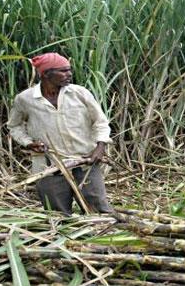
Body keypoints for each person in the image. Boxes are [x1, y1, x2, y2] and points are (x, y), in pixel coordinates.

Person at [8, 52, 113, 214]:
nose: (69, 74)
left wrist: (100, 147)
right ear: (45, 74)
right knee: (58, 215)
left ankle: (99, 237)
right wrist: (29, 143)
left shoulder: (79, 93)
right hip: (49, 165)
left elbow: (101, 122)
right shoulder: (25, 99)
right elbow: (14, 127)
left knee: (99, 212)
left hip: (85, 162)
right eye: (63, 71)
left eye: (69, 70)